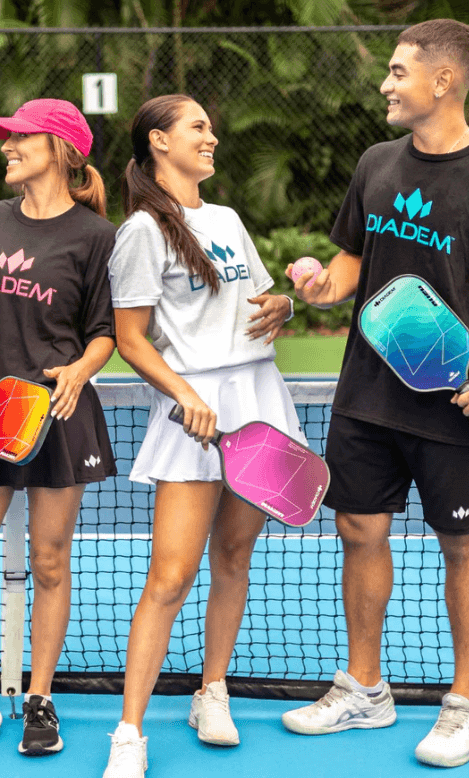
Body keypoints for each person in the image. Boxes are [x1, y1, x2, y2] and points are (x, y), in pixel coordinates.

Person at [281, 19, 469, 769]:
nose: (385, 84)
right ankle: (363, 688)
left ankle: (465, 704)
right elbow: (355, 261)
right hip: (364, 395)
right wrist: (320, 286)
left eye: (397, 72)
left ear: (442, 81)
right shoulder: (377, 164)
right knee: (358, 532)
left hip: (454, 406)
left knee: (461, 543)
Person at [102, 94, 303, 778]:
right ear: (159, 141)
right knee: (170, 574)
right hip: (192, 407)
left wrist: (284, 304)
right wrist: (184, 393)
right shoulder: (140, 232)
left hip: (257, 397)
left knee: (235, 556)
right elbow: (131, 339)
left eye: (211, 127)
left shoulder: (225, 219)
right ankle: (129, 733)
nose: (211, 137)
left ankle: (210, 691)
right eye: (197, 127)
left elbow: (258, 302)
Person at [0, 98, 117, 761]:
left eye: (20, 137)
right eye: (4, 136)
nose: (6, 146)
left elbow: (105, 332)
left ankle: (39, 698)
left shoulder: (98, 236)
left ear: (62, 150)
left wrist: (80, 370)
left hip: (55, 416)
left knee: (48, 564)